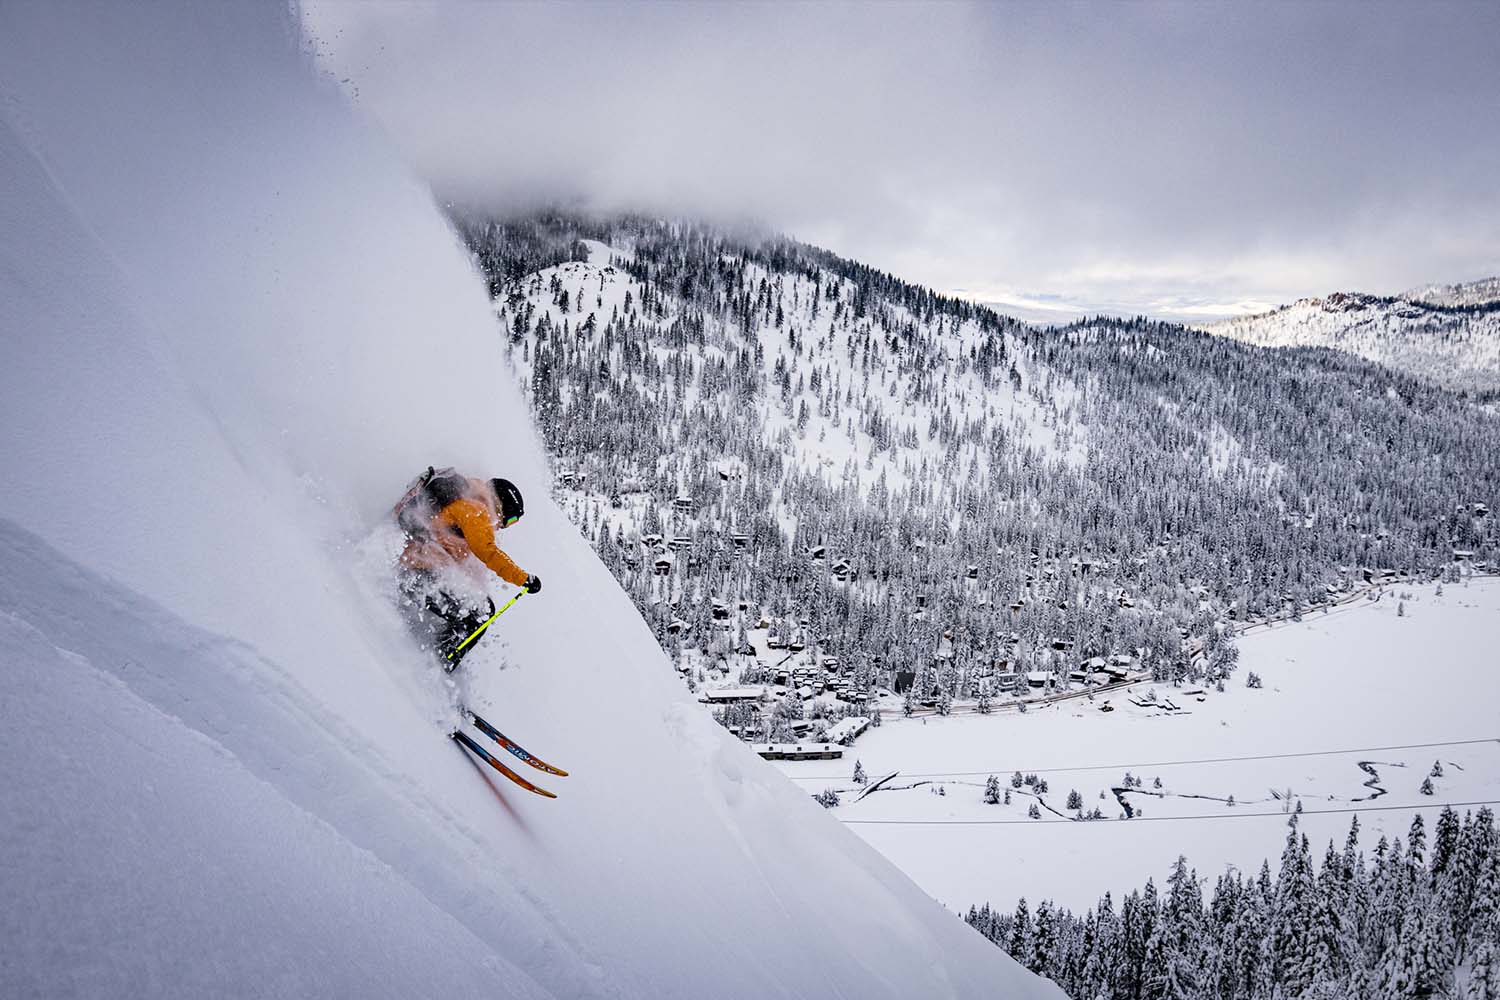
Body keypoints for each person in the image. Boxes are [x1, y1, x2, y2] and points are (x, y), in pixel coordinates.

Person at [393, 467, 540, 669]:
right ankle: (441, 663)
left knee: (479, 607)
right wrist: (523, 578)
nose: (505, 525)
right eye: (511, 519)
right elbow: (487, 551)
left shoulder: (466, 497)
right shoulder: (477, 510)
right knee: (480, 613)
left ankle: (440, 656)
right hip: (417, 573)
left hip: (417, 568)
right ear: (502, 506)